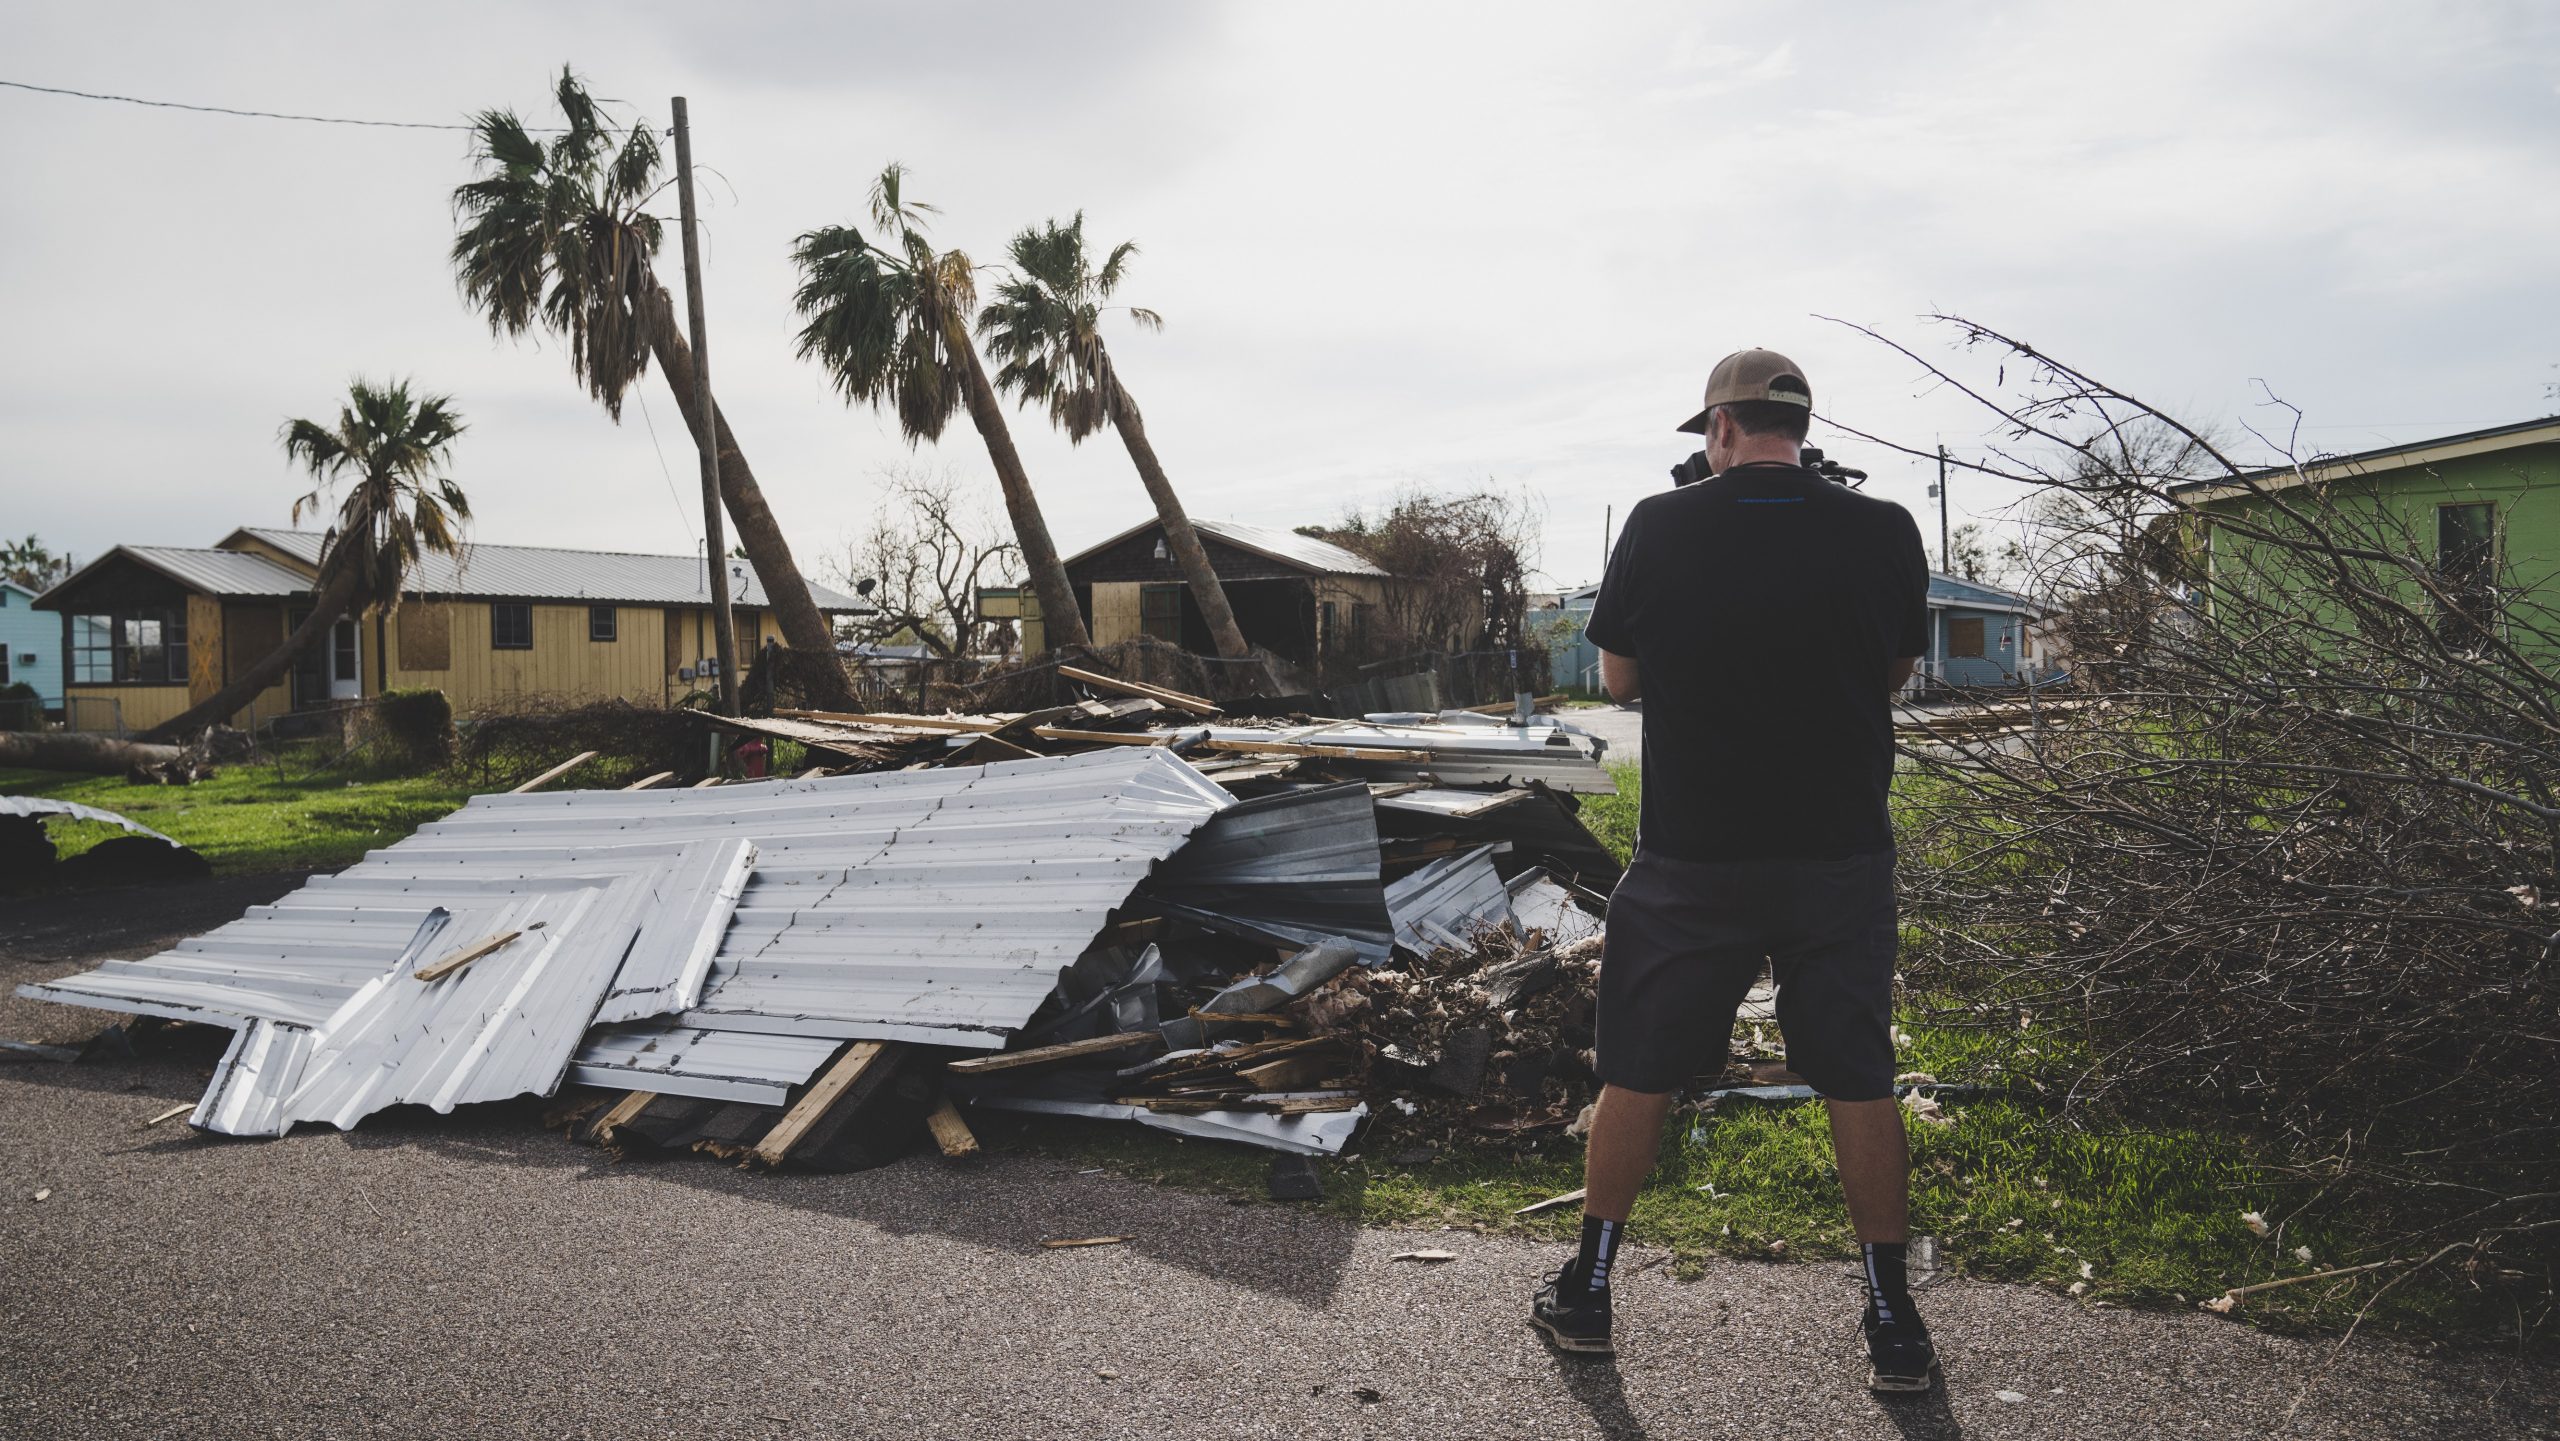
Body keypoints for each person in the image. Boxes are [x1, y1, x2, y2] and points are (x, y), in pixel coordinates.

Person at [1529, 348, 1937, 1393]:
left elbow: (1618, 674)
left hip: (1695, 854)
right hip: (1838, 852)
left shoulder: (1660, 526)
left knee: (1640, 1066)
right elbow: (1891, 673)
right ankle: (1892, 1319)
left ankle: (1588, 1291)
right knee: (1856, 1074)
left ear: (1717, 429)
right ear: (1802, 428)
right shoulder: (1884, 527)